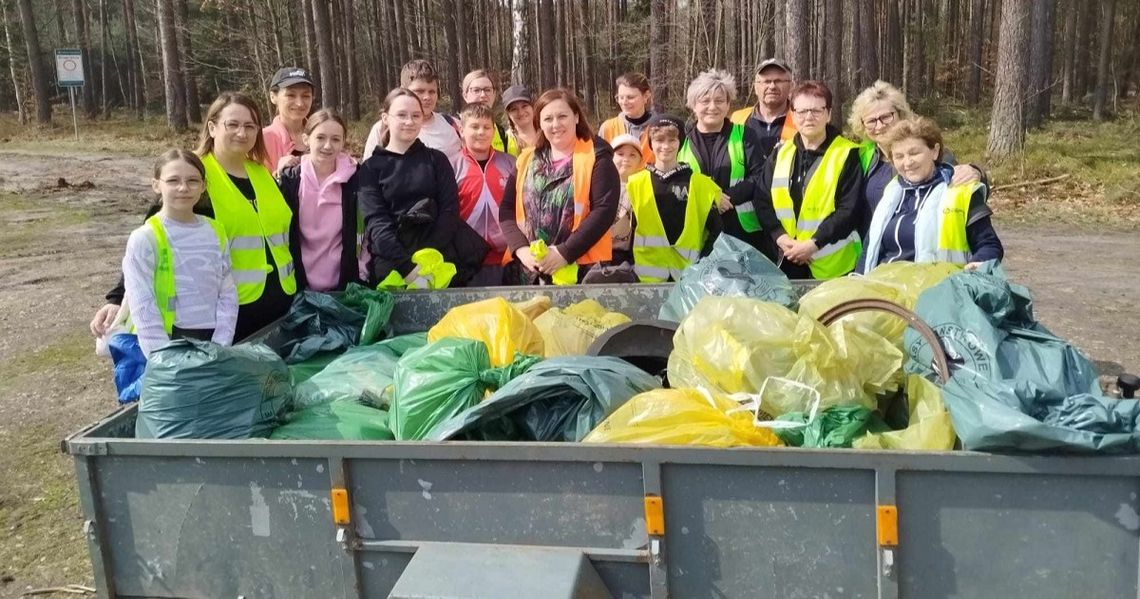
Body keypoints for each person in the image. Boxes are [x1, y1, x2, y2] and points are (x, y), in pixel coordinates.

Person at [90, 92, 298, 342]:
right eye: (232, 124)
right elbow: (153, 235)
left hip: (279, 310)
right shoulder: (193, 174)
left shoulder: (262, 173)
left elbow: (286, 237)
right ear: (212, 127)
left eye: (250, 126)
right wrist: (117, 298)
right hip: (226, 319)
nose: (242, 133)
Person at [358, 88, 486, 289]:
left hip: (439, 262)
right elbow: (377, 223)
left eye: (415, 116)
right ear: (385, 118)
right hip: (392, 268)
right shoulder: (370, 169)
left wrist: (426, 260)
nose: (409, 121)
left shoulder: (437, 160)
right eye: (402, 115)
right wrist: (407, 268)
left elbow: (450, 212)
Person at [123, 149, 237, 357]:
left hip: (212, 341)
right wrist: (161, 358)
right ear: (156, 185)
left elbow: (227, 293)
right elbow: (142, 303)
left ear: (203, 186)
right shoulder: (145, 238)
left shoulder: (216, 231)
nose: (183, 188)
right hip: (168, 342)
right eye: (173, 180)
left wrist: (221, 345)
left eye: (192, 181)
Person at [499, 88, 619, 285]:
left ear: (576, 117)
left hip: (581, 273)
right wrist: (521, 250)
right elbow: (506, 209)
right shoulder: (526, 159)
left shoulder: (598, 158)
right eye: (548, 119)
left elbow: (604, 211)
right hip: (528, 274)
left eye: (562, 116)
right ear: (539, 123)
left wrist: (564, 252)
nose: (555, 124)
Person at [860, 117, 1003, 273]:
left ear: (935, 151)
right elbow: (869, 249)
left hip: (942, 285)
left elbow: (989, 246)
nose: (908, 162)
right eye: (899, 156)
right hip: (885, 284)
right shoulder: (891, 193)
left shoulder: (960, 191)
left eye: (914, 153)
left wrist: (977, 265)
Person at [753, 81, 863, 280]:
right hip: (785, 260)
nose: (809, 117)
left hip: (832, 266)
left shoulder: (847, 153)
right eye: (802, 111)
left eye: (816, 110)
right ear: (793, 115)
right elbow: (762, 200)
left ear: (829, 114)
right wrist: (779, 236)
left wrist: (813, 244)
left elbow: (849, 209)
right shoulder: (780, 153)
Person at [848, 80, 984, 237]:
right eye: (871, 121)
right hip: (875, 248)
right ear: (862, 125)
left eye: (886, 117)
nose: (879, 126)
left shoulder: (925, 150)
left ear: (900, 114)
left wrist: (977, 172)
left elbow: (963, 185)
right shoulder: (862, 158)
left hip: (923, 245)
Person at [677, 69, 773, 260]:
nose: (712, 107)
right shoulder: (681, 140)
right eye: (705, 101)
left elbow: (760, 175)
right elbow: (677, 181)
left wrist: (727, 197)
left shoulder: (745, 135)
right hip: (698, 232)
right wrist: (711, 198)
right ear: (693, 105)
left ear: (728, 104)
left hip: (741, 232)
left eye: (719, 101)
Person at [627, 114, 723, 282]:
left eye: (672, 140)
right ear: (650, 143)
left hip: (689, 278)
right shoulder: (635, 183)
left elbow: (716, 232)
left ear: (680, 143)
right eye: (659, 140)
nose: (665, 146)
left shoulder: (700, 184)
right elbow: (628, 234)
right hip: (646, 280)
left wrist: (702, 266)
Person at [278, 108, 364, 292]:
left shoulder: (355, 178)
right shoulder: (290, 179)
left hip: (344, 284)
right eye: (320, 138)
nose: (327, 146)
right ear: (306, 139)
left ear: (343, 142)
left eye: (335, 139)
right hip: (298, 283)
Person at [454, 103, 515, 286]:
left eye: (487, 127)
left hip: (508, 258)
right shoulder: (451, 166)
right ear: (462, 130)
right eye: (474, 126)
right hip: (468, 261)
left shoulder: (511, 164)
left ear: (493, 130)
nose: (481, 132)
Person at [363, 60, 463, 167]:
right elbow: (369, 171)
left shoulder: (453, 125)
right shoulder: (383, 128)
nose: (427, 97)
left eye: (432, 92)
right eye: (419, 91)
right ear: (403, 90)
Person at [731, 58, 797, 160]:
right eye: (766, 81)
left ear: (791, 86)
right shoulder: (737, 119)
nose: (772, 86)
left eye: (778, 81)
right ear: (755, 87)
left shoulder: (801, 119)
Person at [262, 66, 315, 174]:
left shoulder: (321, 134)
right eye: (291, 95)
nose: (299, 103)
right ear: (273, 97)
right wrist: (279, 175)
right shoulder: (262, 140)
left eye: (305, 96)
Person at [598, 72, 658, 163]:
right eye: (621, 97)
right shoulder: (608, 128)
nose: (624, 102)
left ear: (646, 96)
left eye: (630, 97)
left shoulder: (658, 128)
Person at [461, 69, 516, 156]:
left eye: (487, 90)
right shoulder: (453, 132)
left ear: (494, 94)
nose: (483, 95)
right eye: (476, 90)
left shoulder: (503, 135)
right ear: (465, 95)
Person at [609, 133, 645, 265]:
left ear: (640, 161)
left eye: (632, 155)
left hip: (630, 258)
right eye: (620, 154)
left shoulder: (644, 188)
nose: (626, 159)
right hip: (601, 255)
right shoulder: (600, 186)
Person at [502, 84, 537, 153]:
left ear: (532, 106)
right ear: (508, 114)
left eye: (524, 106)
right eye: (514, 109)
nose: (520, 113)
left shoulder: (546, 132)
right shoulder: (505, 141)